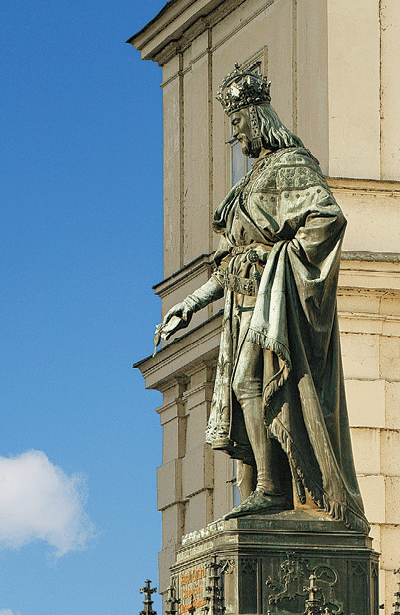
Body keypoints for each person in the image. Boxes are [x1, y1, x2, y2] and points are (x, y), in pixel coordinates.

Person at [154, 64, 367, 535]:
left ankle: (271, 487)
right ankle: (260, 485)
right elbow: (226, 265)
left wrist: (280, 260)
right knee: (238, 391)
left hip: (275, 303)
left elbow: (327, 218)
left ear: (256, 117)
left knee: (252, 382)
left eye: (237, 124)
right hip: (241, 306)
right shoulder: (250, 182)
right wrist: (188, 306)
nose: (236, 135)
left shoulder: (292, 167)